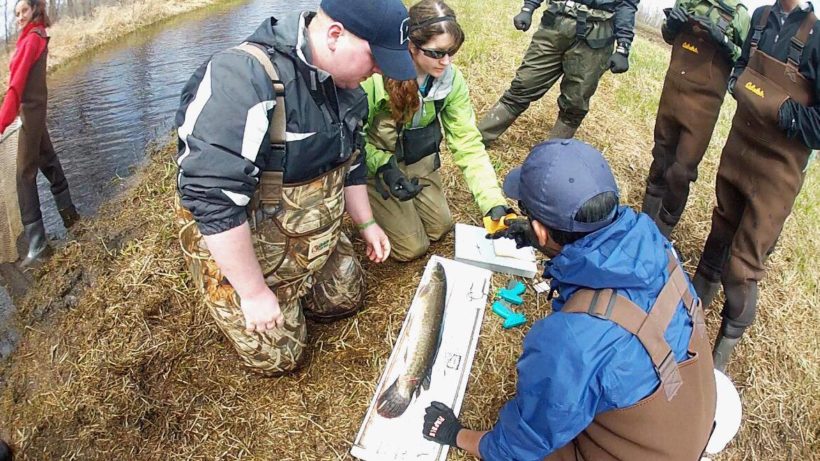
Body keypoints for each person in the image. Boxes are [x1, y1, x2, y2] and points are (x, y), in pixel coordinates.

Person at [421, 139, 716, 460]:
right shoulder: (654, 244)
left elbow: (524, 444)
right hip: (691, 411)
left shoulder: (570, 340)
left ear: (542, 230)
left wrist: (457, 434)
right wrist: (538, 237)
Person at [174, 0, 415, 376]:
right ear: (335, 35)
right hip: (250, 238)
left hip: (309, 235)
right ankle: (243, 291)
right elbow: (211, 199)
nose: (379, 71)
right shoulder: (243, 77)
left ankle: (301, 280)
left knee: (343, 301)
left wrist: (367, 224)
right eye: (375, 58)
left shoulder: (346, 84)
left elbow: (351, 160)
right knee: (280, 359)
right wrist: (253, 294)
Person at [692, 0, 820, 371]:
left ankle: (719, 359)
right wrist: (737, 80)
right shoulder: (761, 18)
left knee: (742, 268)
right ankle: (692, 314)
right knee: (718, 233)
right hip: (738, 152)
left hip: (776, 172)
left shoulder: (815, 36)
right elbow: (742, 66)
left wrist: (785, 111)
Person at [361, 0, 512, 262]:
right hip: (378, 167)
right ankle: (366, 195)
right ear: (411, 45)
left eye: (451, 52)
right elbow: (350, 140)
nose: (446, 61)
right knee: (412, 248)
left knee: (440, 227)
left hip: (419, 162)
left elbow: (467, 142)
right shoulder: (375, 77)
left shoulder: (452, 80)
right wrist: (382, 166)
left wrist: (492, 202)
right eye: (437, 53)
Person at [642, 0, 750, 237]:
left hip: (703, 105)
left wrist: (722, 41)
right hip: (673, 90)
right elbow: (668, 35)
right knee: (660, 158)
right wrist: (672, 24)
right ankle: (643, 225)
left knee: (681, 172)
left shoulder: (739, 15)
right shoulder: (690, 1)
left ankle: (661, 233)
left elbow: (745, 60)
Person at [477, 0, 638, 143]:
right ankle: (478, 139)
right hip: (556, 24)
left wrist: (623, 47)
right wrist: (528, 8)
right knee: (524, 84)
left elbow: (627, 5)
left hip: (597, 36)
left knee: (576, 101)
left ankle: (553, 156)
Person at [0, 0, 80, 267]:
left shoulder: (31, 40)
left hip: (30, 114)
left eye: (23, 10)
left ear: (35, 9)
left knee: (24, 175)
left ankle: (38, 246)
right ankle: (71, 216)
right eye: (16, 13)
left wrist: (1, 123)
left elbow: (15, 88)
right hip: (36, 112)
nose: (19, 16)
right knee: (48, 160)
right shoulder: (35, 36)